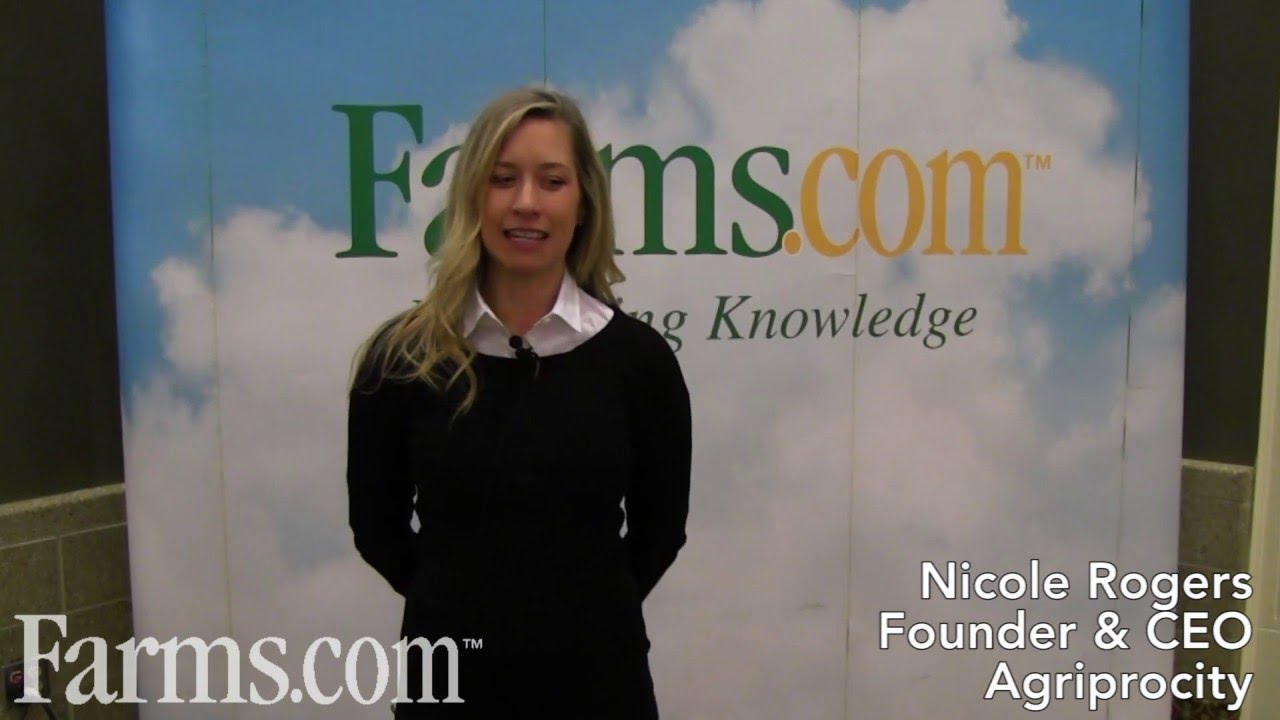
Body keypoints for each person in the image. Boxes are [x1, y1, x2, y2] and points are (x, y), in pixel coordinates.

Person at [345, 86, 692, 718]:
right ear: (472, 197)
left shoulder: (640, 362)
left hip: (600, 689)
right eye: (503, 179)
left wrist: (577, 615)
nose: (526, 202)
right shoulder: (401, 360)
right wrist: (462, 610)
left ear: (583, 204)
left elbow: (660, 531)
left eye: (552, 181)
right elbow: (376, 529)